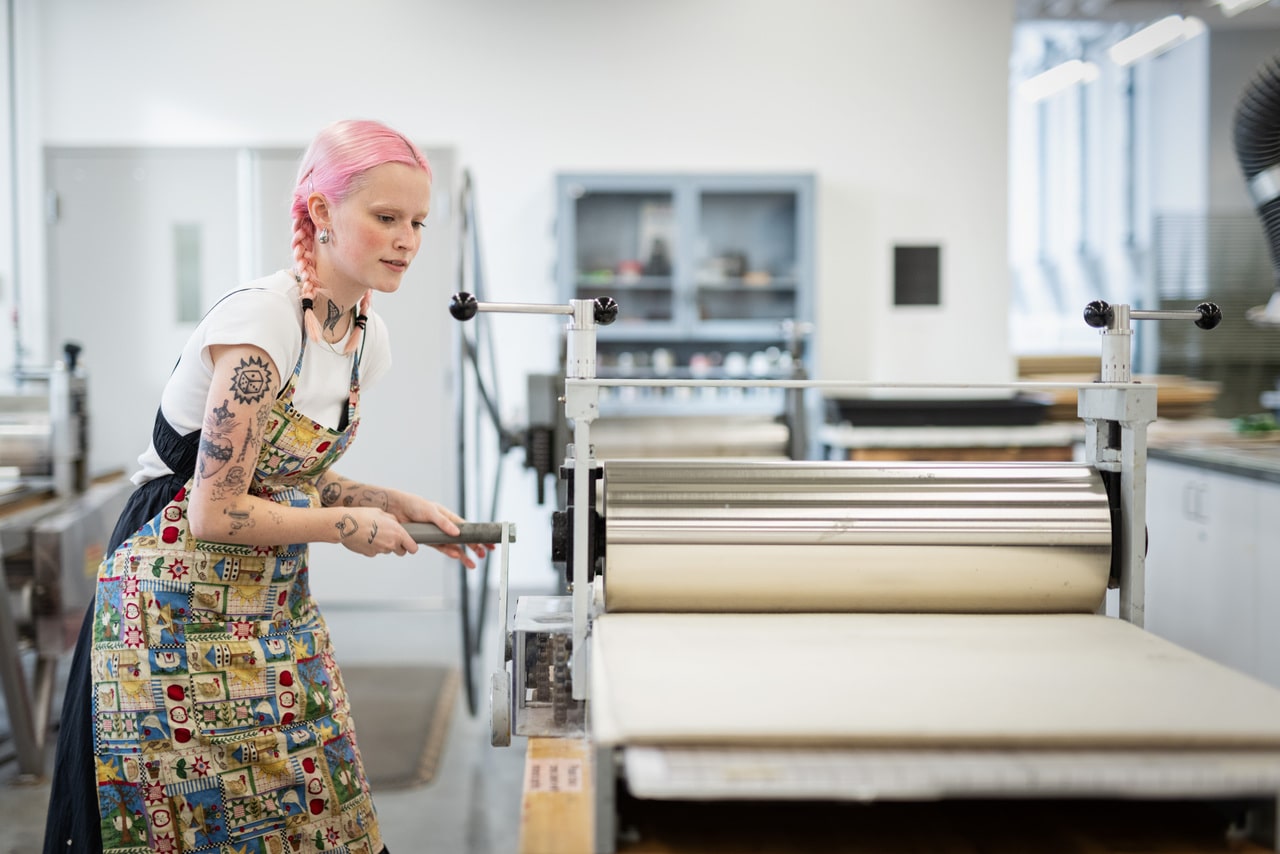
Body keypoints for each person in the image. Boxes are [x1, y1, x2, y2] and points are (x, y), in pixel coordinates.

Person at [42, 119, 485, 854]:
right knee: (181, 818)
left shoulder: (365, 342)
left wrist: (384, 501)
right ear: (319, 214)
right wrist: (347, 529)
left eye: (417, 222)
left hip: (267, 602)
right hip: (169, 600)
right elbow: (215, 507)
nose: (408, 239)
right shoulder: (262, 322)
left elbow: (287, 472)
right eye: (385, 218)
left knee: (317, 799)